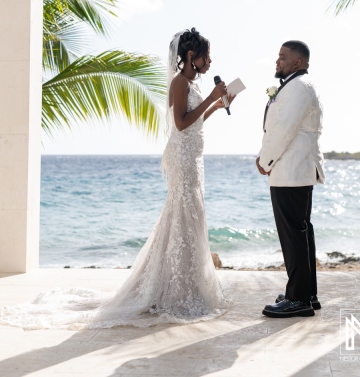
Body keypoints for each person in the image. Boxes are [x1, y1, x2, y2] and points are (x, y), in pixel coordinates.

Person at [0, 28, 232, 329]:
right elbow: (181, 123)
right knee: (183, 215)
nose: (210, 61)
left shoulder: (190, 82)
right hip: (182, 160)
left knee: (189, 217)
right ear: (191, 56)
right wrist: (211, 97)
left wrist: (216, 104)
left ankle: (183, 285)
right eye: (206, 55)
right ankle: (173, 289)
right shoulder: (178, 82)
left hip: (193, 159)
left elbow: (195, 120)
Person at [256, 40, 325, 319]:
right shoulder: (299, 85)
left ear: (297, 62)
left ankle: (298, 300)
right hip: (294, 171)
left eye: (283, 57)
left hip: (291, 172)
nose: (277, 61)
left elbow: (284, 129)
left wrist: (264, 160)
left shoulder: (298, 87)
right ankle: (306, 294)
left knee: (294, 237)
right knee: (300, 233)